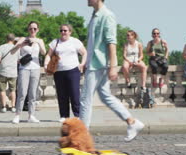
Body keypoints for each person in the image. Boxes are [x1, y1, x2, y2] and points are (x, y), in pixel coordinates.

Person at [80, 0, 144, 142]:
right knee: (105, 96)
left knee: (85, 99)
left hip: (98, 64)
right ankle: (132, 122)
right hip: (94, 62)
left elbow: (111, 43)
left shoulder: (107, 15)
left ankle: (82, 136)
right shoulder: (95, 15)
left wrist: (113, 67)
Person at [44, 24, 87, 123]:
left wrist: (82, 63)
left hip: (73, 70)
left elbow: (84, 52)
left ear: (70, 32)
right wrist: (46, 64)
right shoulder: (55, 42)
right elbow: (48, 55)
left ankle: (77, 115)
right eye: (61, 31)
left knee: (74, 93)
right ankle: (64, 115)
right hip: (59, 72)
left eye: (65, 30)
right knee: (62, 94)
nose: (63, 32)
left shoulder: (75, 41)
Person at [11, 21, 46, 124]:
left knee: (33, 93)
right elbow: (13, 52)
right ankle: (17, 115)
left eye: (35, 29)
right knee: (22, 92)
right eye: (31, 29)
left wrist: (38, 42)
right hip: (24, 68)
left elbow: (44, 52)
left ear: (38, 30)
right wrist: (21, 44)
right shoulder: (23, 39)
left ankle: (31, 115)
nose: (32, 30)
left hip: (35, 68)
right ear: (28, 30)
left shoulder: (40, 40)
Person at [0, 33, 20, 113]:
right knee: (13, 90)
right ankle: (13, 107)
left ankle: (4, 107)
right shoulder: (17, 48)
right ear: (13, 40)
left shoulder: (1, 47)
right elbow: (18, 60)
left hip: (3, 71)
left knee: (3, 90)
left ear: (6, 39)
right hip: (13, 72)